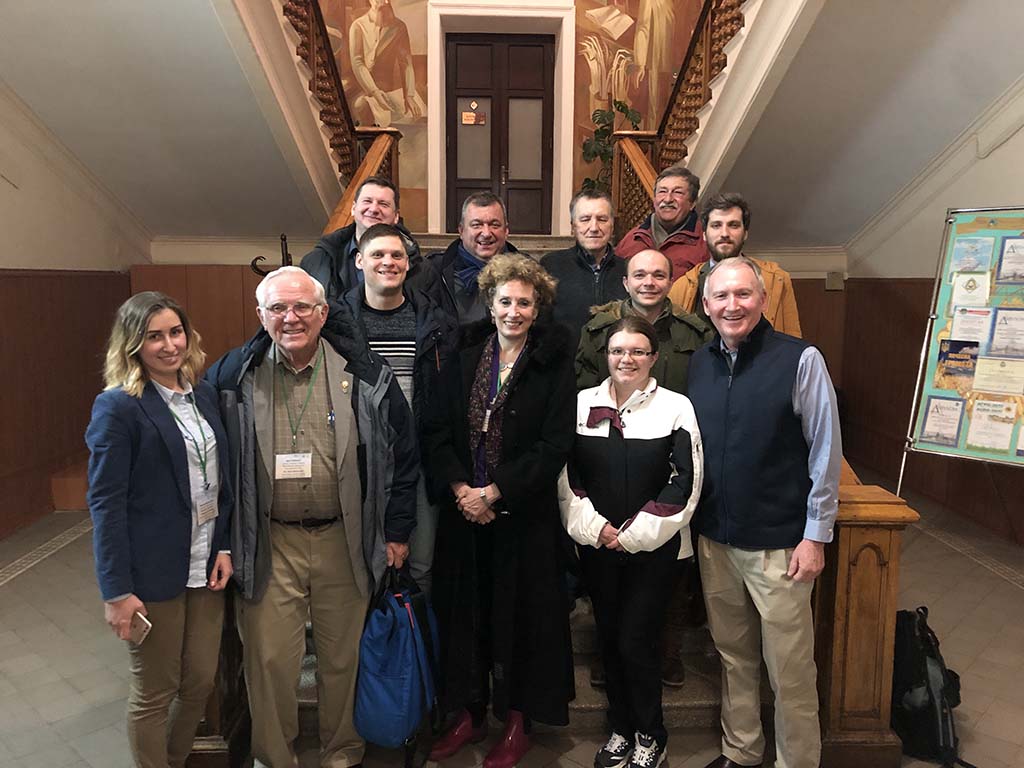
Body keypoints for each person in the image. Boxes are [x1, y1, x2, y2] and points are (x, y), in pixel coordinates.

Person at [205, 267, 418, 768]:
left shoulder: (364, 375)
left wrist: (396, 531)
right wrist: (223, 541)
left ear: (324, 313)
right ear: (260, 316)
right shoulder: (234, 378)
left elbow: (402, 460)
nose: (291, 317)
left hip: (343, 539)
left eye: (302, 307)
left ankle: (340, 753)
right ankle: (275, 758)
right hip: (269, 541)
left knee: (342, 660)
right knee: (270, 661)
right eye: (277, 308)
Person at [421, 253, 576, 768]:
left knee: (523, 621)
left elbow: (555, 445)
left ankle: (516, 719)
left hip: (524, 519)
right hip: (464, 516)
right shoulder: (462, 355)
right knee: (466, 618)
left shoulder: (553, 363)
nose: (513, 311)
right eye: (505, 301)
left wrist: (496, 492)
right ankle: (468, 713)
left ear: (538, 308)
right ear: (489, 304)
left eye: (524, 303)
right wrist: (464, 489)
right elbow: (437, 429)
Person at [688, 256, 841, 768]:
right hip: (716, 540)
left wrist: (815, 536)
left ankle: (796, 762)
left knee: (790, 670)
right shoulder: (699, 362)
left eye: (743, 294)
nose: (733, 305)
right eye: (722, 296)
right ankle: (742, 751)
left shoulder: (800, 359)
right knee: (734, 658)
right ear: (706, 305)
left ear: (763, 299)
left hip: (782, 545)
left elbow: (824, 451)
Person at [85, 291, 233, 768]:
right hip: (152, 573)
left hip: (205, 563)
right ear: (133, 345)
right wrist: (116, 591)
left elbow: (219, 482)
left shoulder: (202, 394)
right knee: (154, 691)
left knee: (200, 683)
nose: (169, 345)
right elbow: (105, 504)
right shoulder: (118, 407)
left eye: (175, 332)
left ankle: (171, 758)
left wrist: (225, 546)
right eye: (154, 337)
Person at [559, 316, 702, 768]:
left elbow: (687, 482)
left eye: (639, 351)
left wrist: (635, 535)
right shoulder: (581, 404)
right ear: (607, 355)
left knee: (637, 641)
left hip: (655, 551)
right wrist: (595, 528)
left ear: (654, 357)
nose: (628, 359)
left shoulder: (677, 407)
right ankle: (620, 728)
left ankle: (650, 734)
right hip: (598, 545)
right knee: (610, 637)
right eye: (619, 350)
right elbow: (568, 476)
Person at [342, 223, 458, 593]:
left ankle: (414, 647)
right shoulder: (335, 324)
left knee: (421, 565)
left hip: (420, 460)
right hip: (357, 461)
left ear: (408, 264)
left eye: (397, 255)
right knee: (357, 569)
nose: (388, 262)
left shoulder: (436, 324)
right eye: (377, 254)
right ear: (359, 261)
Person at [577, 249, 711, 393]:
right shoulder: (596, 333)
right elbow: (586, 394)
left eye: (658, 275)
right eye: (639, 275)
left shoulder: (696, 334)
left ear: (670, 283)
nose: (649, 283)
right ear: (626, 283)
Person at [668, 193, 802, 336]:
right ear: (705, 235)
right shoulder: (682, 287)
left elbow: (792, 340)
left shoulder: (776, 279)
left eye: (733, 225)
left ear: (745, 233)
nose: (724, 233)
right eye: (716, 225)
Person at [300, 176, 431, 302]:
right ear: (353, 209)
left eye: (383, 204)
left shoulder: (423, 270)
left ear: (396, 216)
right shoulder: (317, 261)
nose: (373, 209)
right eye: (367, 201)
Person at [541, 189, 627, 340]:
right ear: (573, 227)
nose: (594, 228)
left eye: (602, 219)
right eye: (585, 219)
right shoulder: (551, 265)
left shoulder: (627, 270)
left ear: (612, 226)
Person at [427, 192, 524, 325]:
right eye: (476, 225)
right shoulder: (434, 272)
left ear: (506, 231)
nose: (486, 233)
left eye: (494, 225)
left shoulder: (528, 273)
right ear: (461, 231)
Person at [616, 166, 708, 279]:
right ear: (654, 199)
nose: (668, 199)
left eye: (678, 192)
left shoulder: (704, 244)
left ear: (692, 203)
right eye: (662, 191)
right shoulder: (632, 239)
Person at [349, 0, 424, 127]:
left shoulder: (398, 27)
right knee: (360, 106)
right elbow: (358, 62)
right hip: (362, 86)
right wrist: (374, 91)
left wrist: (409, 95)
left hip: (388, 87)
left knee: (410, 116)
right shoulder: (358, 26)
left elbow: (405, 63)